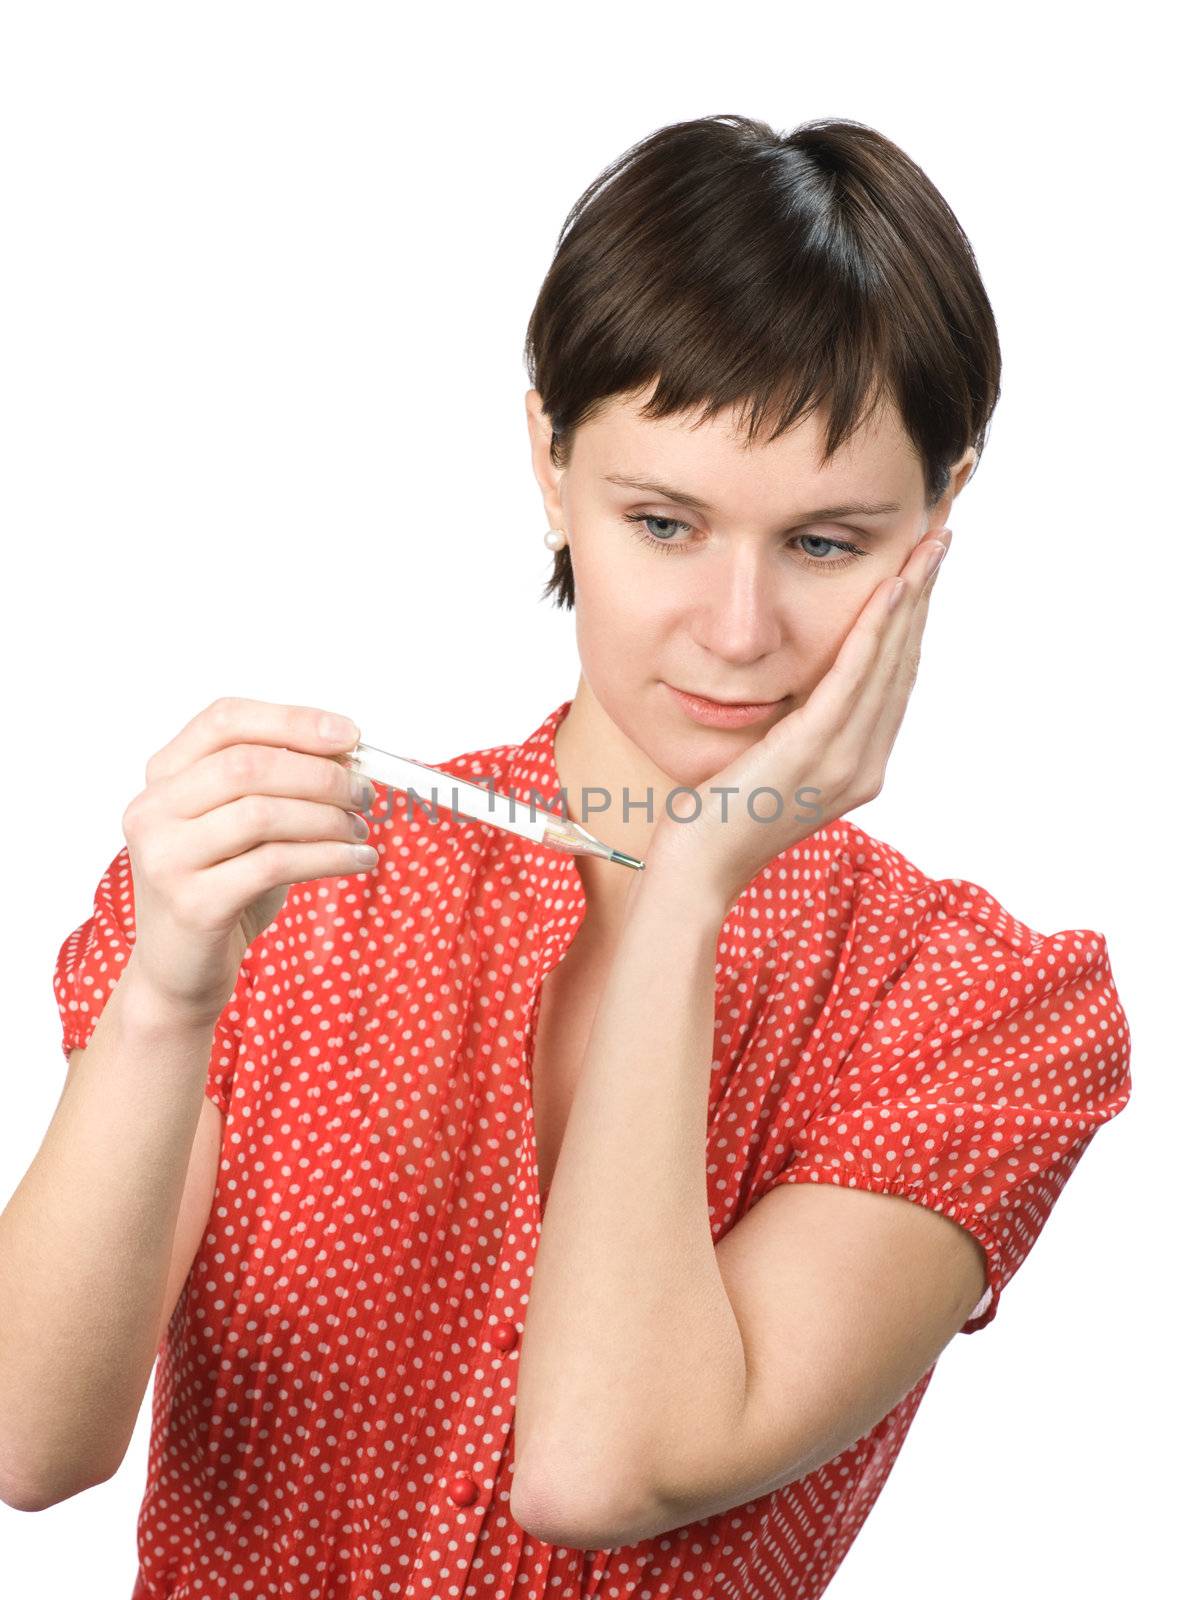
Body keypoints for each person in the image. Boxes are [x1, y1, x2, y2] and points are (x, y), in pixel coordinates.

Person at [4, 114, 1131, 1598]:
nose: (736, 632)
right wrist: (162, 999)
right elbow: (31, 1446)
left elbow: (601, 1467)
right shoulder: (303, 879)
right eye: (663, 522)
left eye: (824, 544)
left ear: (943, 512)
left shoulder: (974, 1015)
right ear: (548, 460)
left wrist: (687, 891)